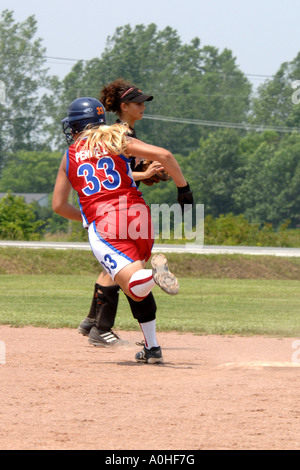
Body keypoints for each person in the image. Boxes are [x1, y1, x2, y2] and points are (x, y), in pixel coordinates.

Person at [52, 96, 193, 364]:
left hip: (106, 223)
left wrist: (88, 218)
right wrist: (183, 189)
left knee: (136, 285)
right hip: (139, 216)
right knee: (134, 290)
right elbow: (165, 155)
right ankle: (152, 349)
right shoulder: (116, 139)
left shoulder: (70, 156)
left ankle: (155, 275)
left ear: (77, 126)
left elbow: (59, 205)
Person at [77, 79, 170, 349]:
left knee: (113, 267)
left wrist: (148, 172)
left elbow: (128, 169)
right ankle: (100, 327)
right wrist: (145, 173)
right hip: (112, 211)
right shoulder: (117, 134)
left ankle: (93, 321)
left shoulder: (126, 133)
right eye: (138, 103)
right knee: (124, 268)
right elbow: (116, 175)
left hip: (116, 211)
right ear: (123, 106)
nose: (143, 107)